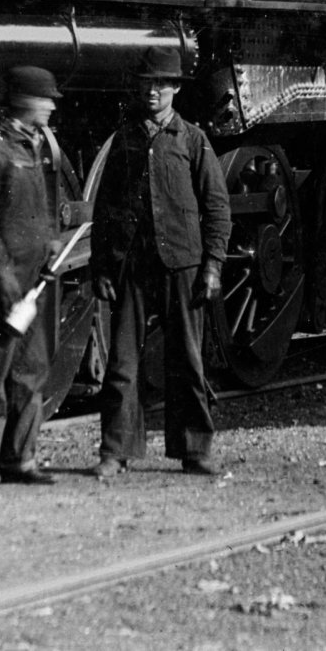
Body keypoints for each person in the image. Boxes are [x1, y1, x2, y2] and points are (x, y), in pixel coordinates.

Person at [91, 48, 231, 479]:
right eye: (147, 84)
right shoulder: (125, 140)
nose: (153, 92)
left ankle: (195, 450)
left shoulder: (192, 140)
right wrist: (100, 267)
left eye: (161, 84)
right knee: (122, 363)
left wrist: (212, 266)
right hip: (132, 264)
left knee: (187, 360)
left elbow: (217, 208)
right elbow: (105, 209)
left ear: (175, 89)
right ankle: (115, 451)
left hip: (182, 265)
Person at [0, 65, 79, 489]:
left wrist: (49, 244)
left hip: (33, 277)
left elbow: (39, 210)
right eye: (44, 99)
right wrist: (3, 277)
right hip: (1, 281)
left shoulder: (33, 147)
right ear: (23, 102)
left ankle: (20, 458)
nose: (50, 106)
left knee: (32, 369)